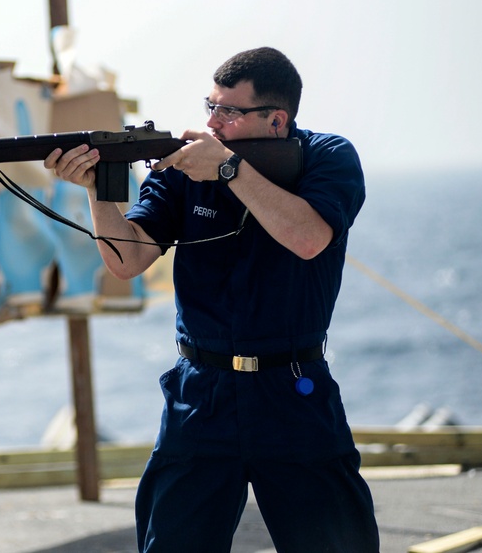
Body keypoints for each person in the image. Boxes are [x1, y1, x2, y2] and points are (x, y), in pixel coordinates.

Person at [45, 47, 380, 552]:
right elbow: (126, 262)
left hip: (291, 388)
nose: (212, 122)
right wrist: (98, 190)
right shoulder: (185, 167)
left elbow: (308, 238)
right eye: (211, 105)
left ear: (276, 121)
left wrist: (227, 171)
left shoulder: (327, 157)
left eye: (229, 112)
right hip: (201, 392)